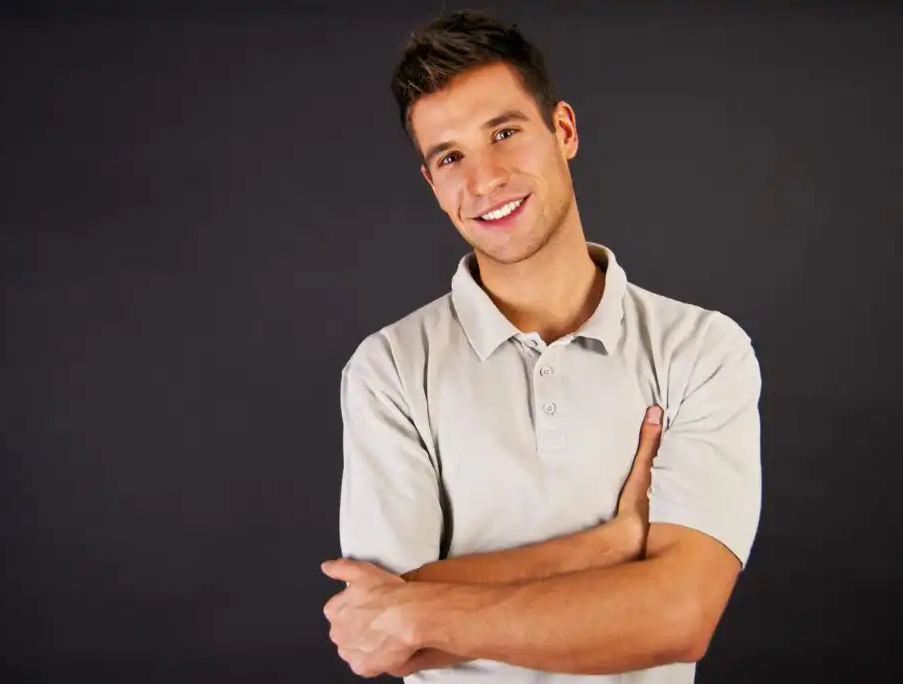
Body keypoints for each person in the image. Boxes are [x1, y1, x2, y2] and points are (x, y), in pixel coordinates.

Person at [322, 9, 762, 683]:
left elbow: (679, 617)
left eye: (504, 132)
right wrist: (612, 546)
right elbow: (380, 633)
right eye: (451, 157)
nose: (485, 178)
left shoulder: (700, 350)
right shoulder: (389, 370)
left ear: (563, 130)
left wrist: (428, 608)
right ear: (432, 185)